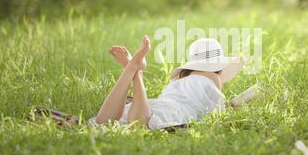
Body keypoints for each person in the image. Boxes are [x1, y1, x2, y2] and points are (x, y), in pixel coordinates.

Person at [90, 37, 244, 130]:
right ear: (219, 67)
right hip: (177, 111)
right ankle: (137, 74)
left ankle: (132, 70)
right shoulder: (213, 78)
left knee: (102, 121)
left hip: (158, 104)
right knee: (138, 124)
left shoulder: (179, 80)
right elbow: (217, 112)